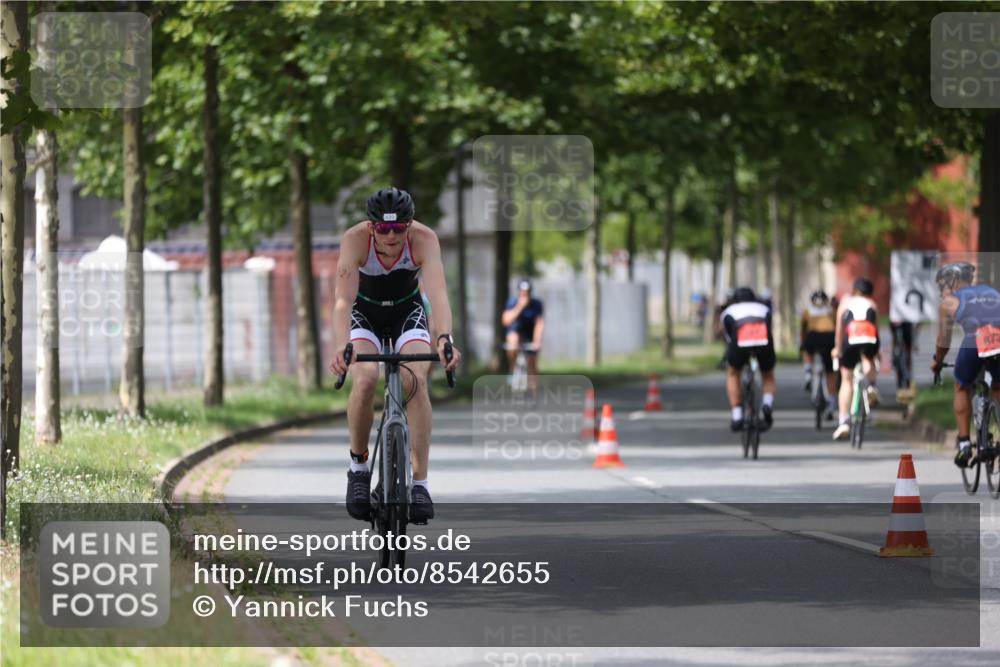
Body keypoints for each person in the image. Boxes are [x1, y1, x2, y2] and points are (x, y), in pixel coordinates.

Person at [330, 187, 462, 523]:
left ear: (410, 224)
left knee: (414, 379)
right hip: (366, 314)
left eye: (399, 228)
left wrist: (444, 337)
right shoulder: (355, 239)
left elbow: (438, 294)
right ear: (371, 227)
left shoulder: (424, 239)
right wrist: (340, 344)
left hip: (407, 313)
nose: (391, 237)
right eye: (384, 229)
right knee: (365, 380)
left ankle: (420, 483)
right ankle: (358, 468)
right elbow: (344, 301)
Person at [929, 262, 1000, 468]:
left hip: (976, 338)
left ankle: (964, 444)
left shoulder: (949, 302)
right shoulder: (992, 292)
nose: (942, 291)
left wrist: (938, 361)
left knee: (962, 386)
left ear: (953, 281)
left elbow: (944, 339)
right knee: (997, 387)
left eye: (943, 285)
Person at [720, 287, 776, 432]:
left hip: (739, 341)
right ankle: (767, 404)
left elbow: (728, 336)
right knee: (768, 374)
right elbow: (769, 328)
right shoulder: (764, 308)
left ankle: (737, 415)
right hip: (763, 340)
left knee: (733, 373)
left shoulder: (729, 311)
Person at [832, 278, 881, 440]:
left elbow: (839, 329)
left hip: (851, 338)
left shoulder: (845, 303)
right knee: (868, 358)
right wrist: (877, 352)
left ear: (854, 290)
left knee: (846, 379)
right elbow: (876, 328)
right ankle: (871, 385)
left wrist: (838, 348)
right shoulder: (872, 304)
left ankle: (843, 421)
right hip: (869, 337)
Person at [501, 279, 545, 392]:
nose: (525, 295)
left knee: (532, 362)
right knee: (512, 340)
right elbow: (506, 320)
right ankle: (513, 368)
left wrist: (537, 341)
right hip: (517, 331)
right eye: (522, 292)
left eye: (527, 292)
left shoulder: (536, 304)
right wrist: (520, 307)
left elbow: (539, 324)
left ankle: (534, 392)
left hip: (530, 333)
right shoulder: (512, 302)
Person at [800, 289, 838, 418]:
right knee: (830, 371)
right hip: (829, 338)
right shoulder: (831, 310)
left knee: (807, 349)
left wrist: (802, 343)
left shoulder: (807, 311)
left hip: (813, 336)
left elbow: (803, 329)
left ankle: (808, 373)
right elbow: (837, 326)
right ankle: (832, 401)